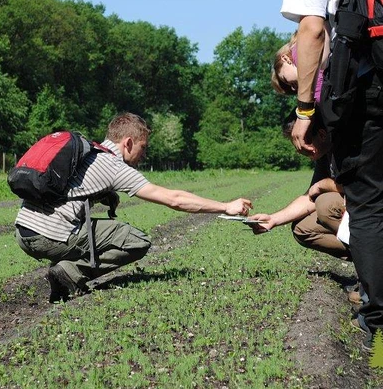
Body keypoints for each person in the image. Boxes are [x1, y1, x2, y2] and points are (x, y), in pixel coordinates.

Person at [14, 113, 253, 303]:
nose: (144, 155)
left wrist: (105, 195)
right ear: (128, 143)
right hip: (50, 236)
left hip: (23, 231)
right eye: (143, 147)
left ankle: (65, 274)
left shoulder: (90, 153)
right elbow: (174, 199)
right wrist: (225, 206)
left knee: (102, 232)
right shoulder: (113, 165)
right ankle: (71, 272)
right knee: (136, 241)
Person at [281, 0, 383, 351]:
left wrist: (305, 109)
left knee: (368, 204)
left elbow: (312, 29)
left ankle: (379, 324)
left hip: (369, 88)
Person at [251, 108, 349, 261]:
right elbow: (310, 197)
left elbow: (363, 186)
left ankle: (373, 261)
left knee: (325, 204)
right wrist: (273, 219)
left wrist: (324, 185)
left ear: (322, 135)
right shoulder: (324, 156)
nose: (298, 150)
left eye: (301, 143)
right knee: (303, 228)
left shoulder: (348, 146)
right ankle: (369, 265)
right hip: (355, 208)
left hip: (371, 207)